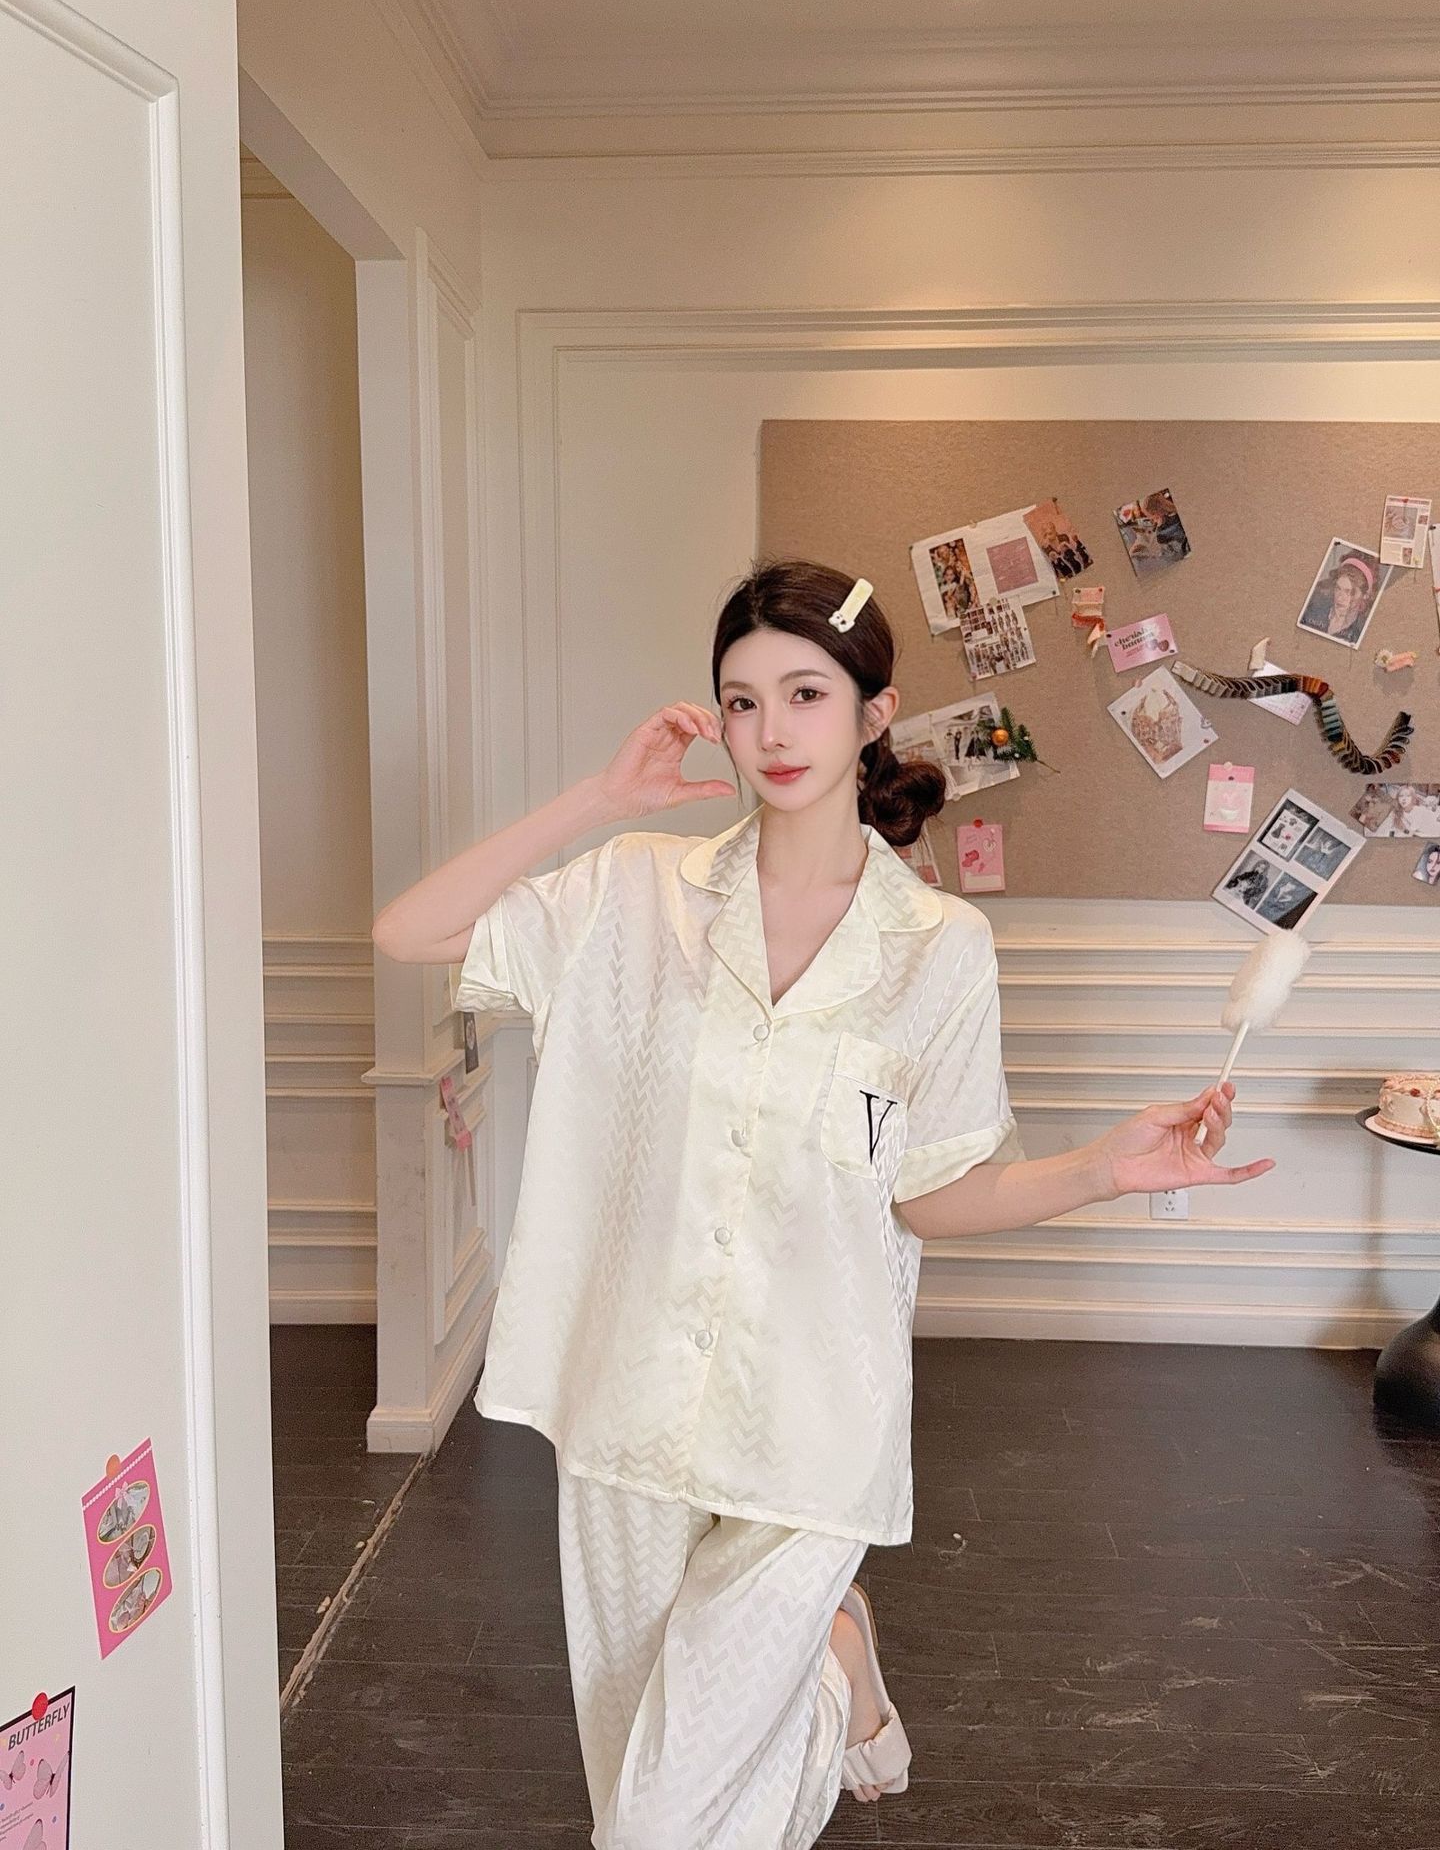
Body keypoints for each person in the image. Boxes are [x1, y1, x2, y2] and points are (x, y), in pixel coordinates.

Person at [372, 558, 1272, 1850]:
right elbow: (409, 931)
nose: (772, 730)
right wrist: (600, 798)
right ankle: (839, 1661)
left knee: (658, 1827)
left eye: (805, 693)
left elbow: (933, 1194)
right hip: (627, 1398)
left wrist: (1104, 1168)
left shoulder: (939, 949)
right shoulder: (630, 893)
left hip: (812, 1416)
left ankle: (833, 1660)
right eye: (741, 701)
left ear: (872, 712)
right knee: (635, 1779)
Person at [1299, 553, 1375, 645]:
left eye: (1348, 592)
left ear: (1365, 595)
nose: (1340, 597)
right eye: (1338, 588)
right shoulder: (1312, 610)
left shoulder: (1360, 634)